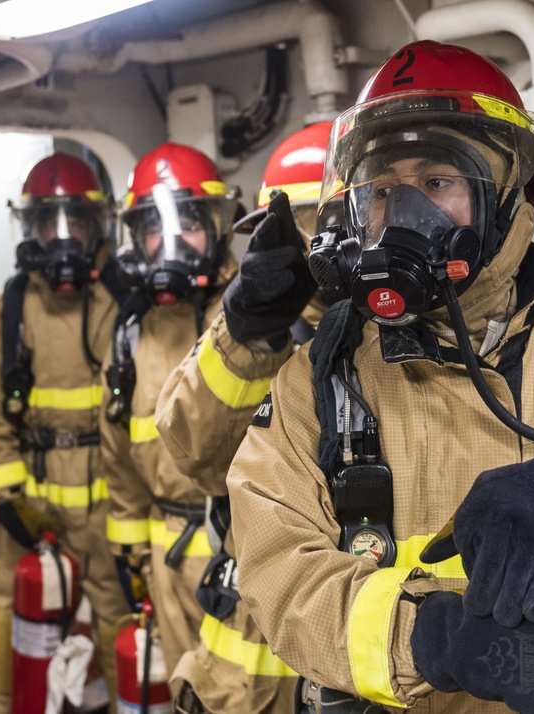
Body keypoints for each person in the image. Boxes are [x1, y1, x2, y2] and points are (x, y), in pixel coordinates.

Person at [226, 40, 534, 713]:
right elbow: (278, 578)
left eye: (438, 182)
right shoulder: (316, 379)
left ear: (507, 200)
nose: (402, 217)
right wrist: (434, 639)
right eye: (384, 190)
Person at [154, 122, 339, 713]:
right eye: (291, 229)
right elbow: (192, 453)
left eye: (321, 224)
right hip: (249, 662)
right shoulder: (251, 326)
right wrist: (247, 334)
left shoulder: (424, 335)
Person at [0, 151, 132, 713]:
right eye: (48, 224)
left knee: (122, 618)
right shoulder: (5, 313)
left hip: (109, 503)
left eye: (77, 223)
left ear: (98, 229)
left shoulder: (123, 306)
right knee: (1, 604)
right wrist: (6, 499)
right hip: (27, 502)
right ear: (29, 230)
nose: (63, 239)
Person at [98, 142, 243, 693]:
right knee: (186, 691)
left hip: (243, 545)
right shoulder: (131, 331)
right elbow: (119, 454)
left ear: (217, 227)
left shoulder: (249, 315)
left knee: (249, 691)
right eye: (155, 227)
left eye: (188, 222)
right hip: (167, 549)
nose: (172, 242)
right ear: (137, 240)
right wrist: (132, 549)